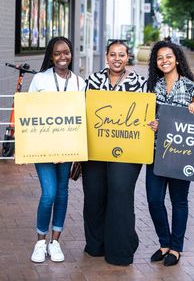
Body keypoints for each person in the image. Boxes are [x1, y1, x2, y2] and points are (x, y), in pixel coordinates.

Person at [82, 39, 147, 266]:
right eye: (113, 54)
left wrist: (152, 123)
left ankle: (120, 250)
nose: (117, 59)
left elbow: (149, 113)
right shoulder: (92, 80)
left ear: (127, 57)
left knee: (120, 193)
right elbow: (82, 112)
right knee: (94, 194)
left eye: (121, 54)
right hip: (96, 149)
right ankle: (96, 245)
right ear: (106, 56)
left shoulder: (140, 83)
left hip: (128, 150)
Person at [146, 41, 194, 266]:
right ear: (156, 63)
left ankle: (176, 248)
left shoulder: (191, 87)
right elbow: (147, 115)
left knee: (179, 201)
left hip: (182, 154)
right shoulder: (153, 86)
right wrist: (152, 123)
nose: (164, 61)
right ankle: (164, 242)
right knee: (153, 199)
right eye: (160, 58)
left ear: (177, 59)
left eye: (168, 56)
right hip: (156, 151)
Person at [29, 36, 86, 263]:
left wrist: (79, 154)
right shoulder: (40, 80)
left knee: (62, 193)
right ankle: (40, 242)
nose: (63, 57)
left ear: (71, 54)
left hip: (68, 149)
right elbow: (29, 113)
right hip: (43, 149)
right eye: (58, 53)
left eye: (67, 53)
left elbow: (82, 118)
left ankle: (55, 242)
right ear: (51, 56)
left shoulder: (79, 83)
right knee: (49, 194)